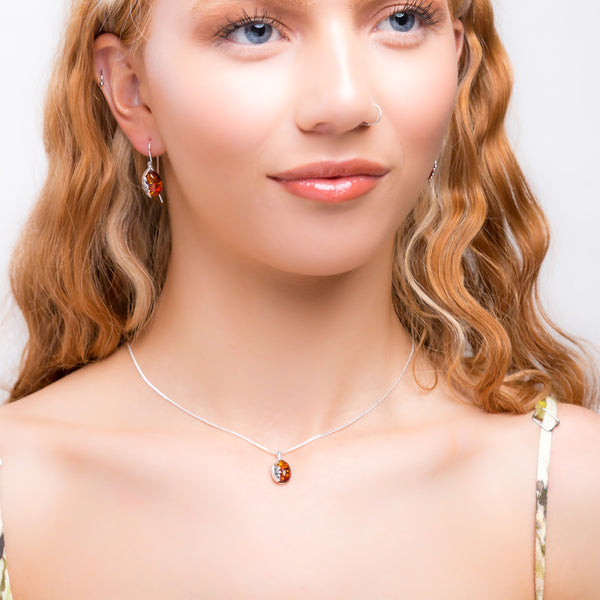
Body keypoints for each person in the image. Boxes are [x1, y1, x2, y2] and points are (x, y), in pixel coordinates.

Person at [0, 0, 598, 597]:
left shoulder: (568, 489)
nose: (344, 101)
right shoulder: (15, 493)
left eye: (402, 19)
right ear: (132, 90)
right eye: (255, 30)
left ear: (457, 61)